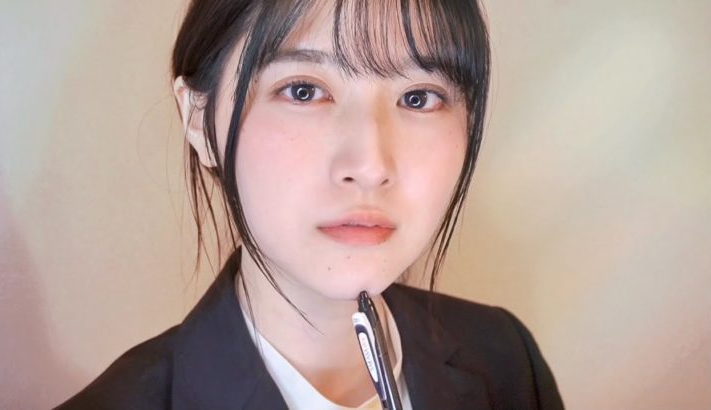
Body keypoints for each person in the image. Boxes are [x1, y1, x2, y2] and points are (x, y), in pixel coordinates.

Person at [56, 0, 563, 409]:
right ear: (198, 120)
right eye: (303, 91)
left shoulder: (505, 358)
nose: (370, 166)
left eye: (418, 98)